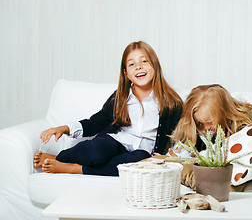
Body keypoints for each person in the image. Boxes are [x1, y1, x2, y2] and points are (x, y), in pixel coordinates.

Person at [33, 41, 183, 176]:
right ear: (126, 74)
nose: (138, 66)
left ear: (155, 66)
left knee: (139, 161)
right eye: (131, 64)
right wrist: (64, 128)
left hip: (142, 153)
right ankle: (59, 157)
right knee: (97, 149)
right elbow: (95, 123)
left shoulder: (171, 102)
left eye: (144, 61)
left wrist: (172, 157)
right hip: (115, 141)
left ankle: (76, 169)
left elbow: (182, 135)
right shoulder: (120, 97)